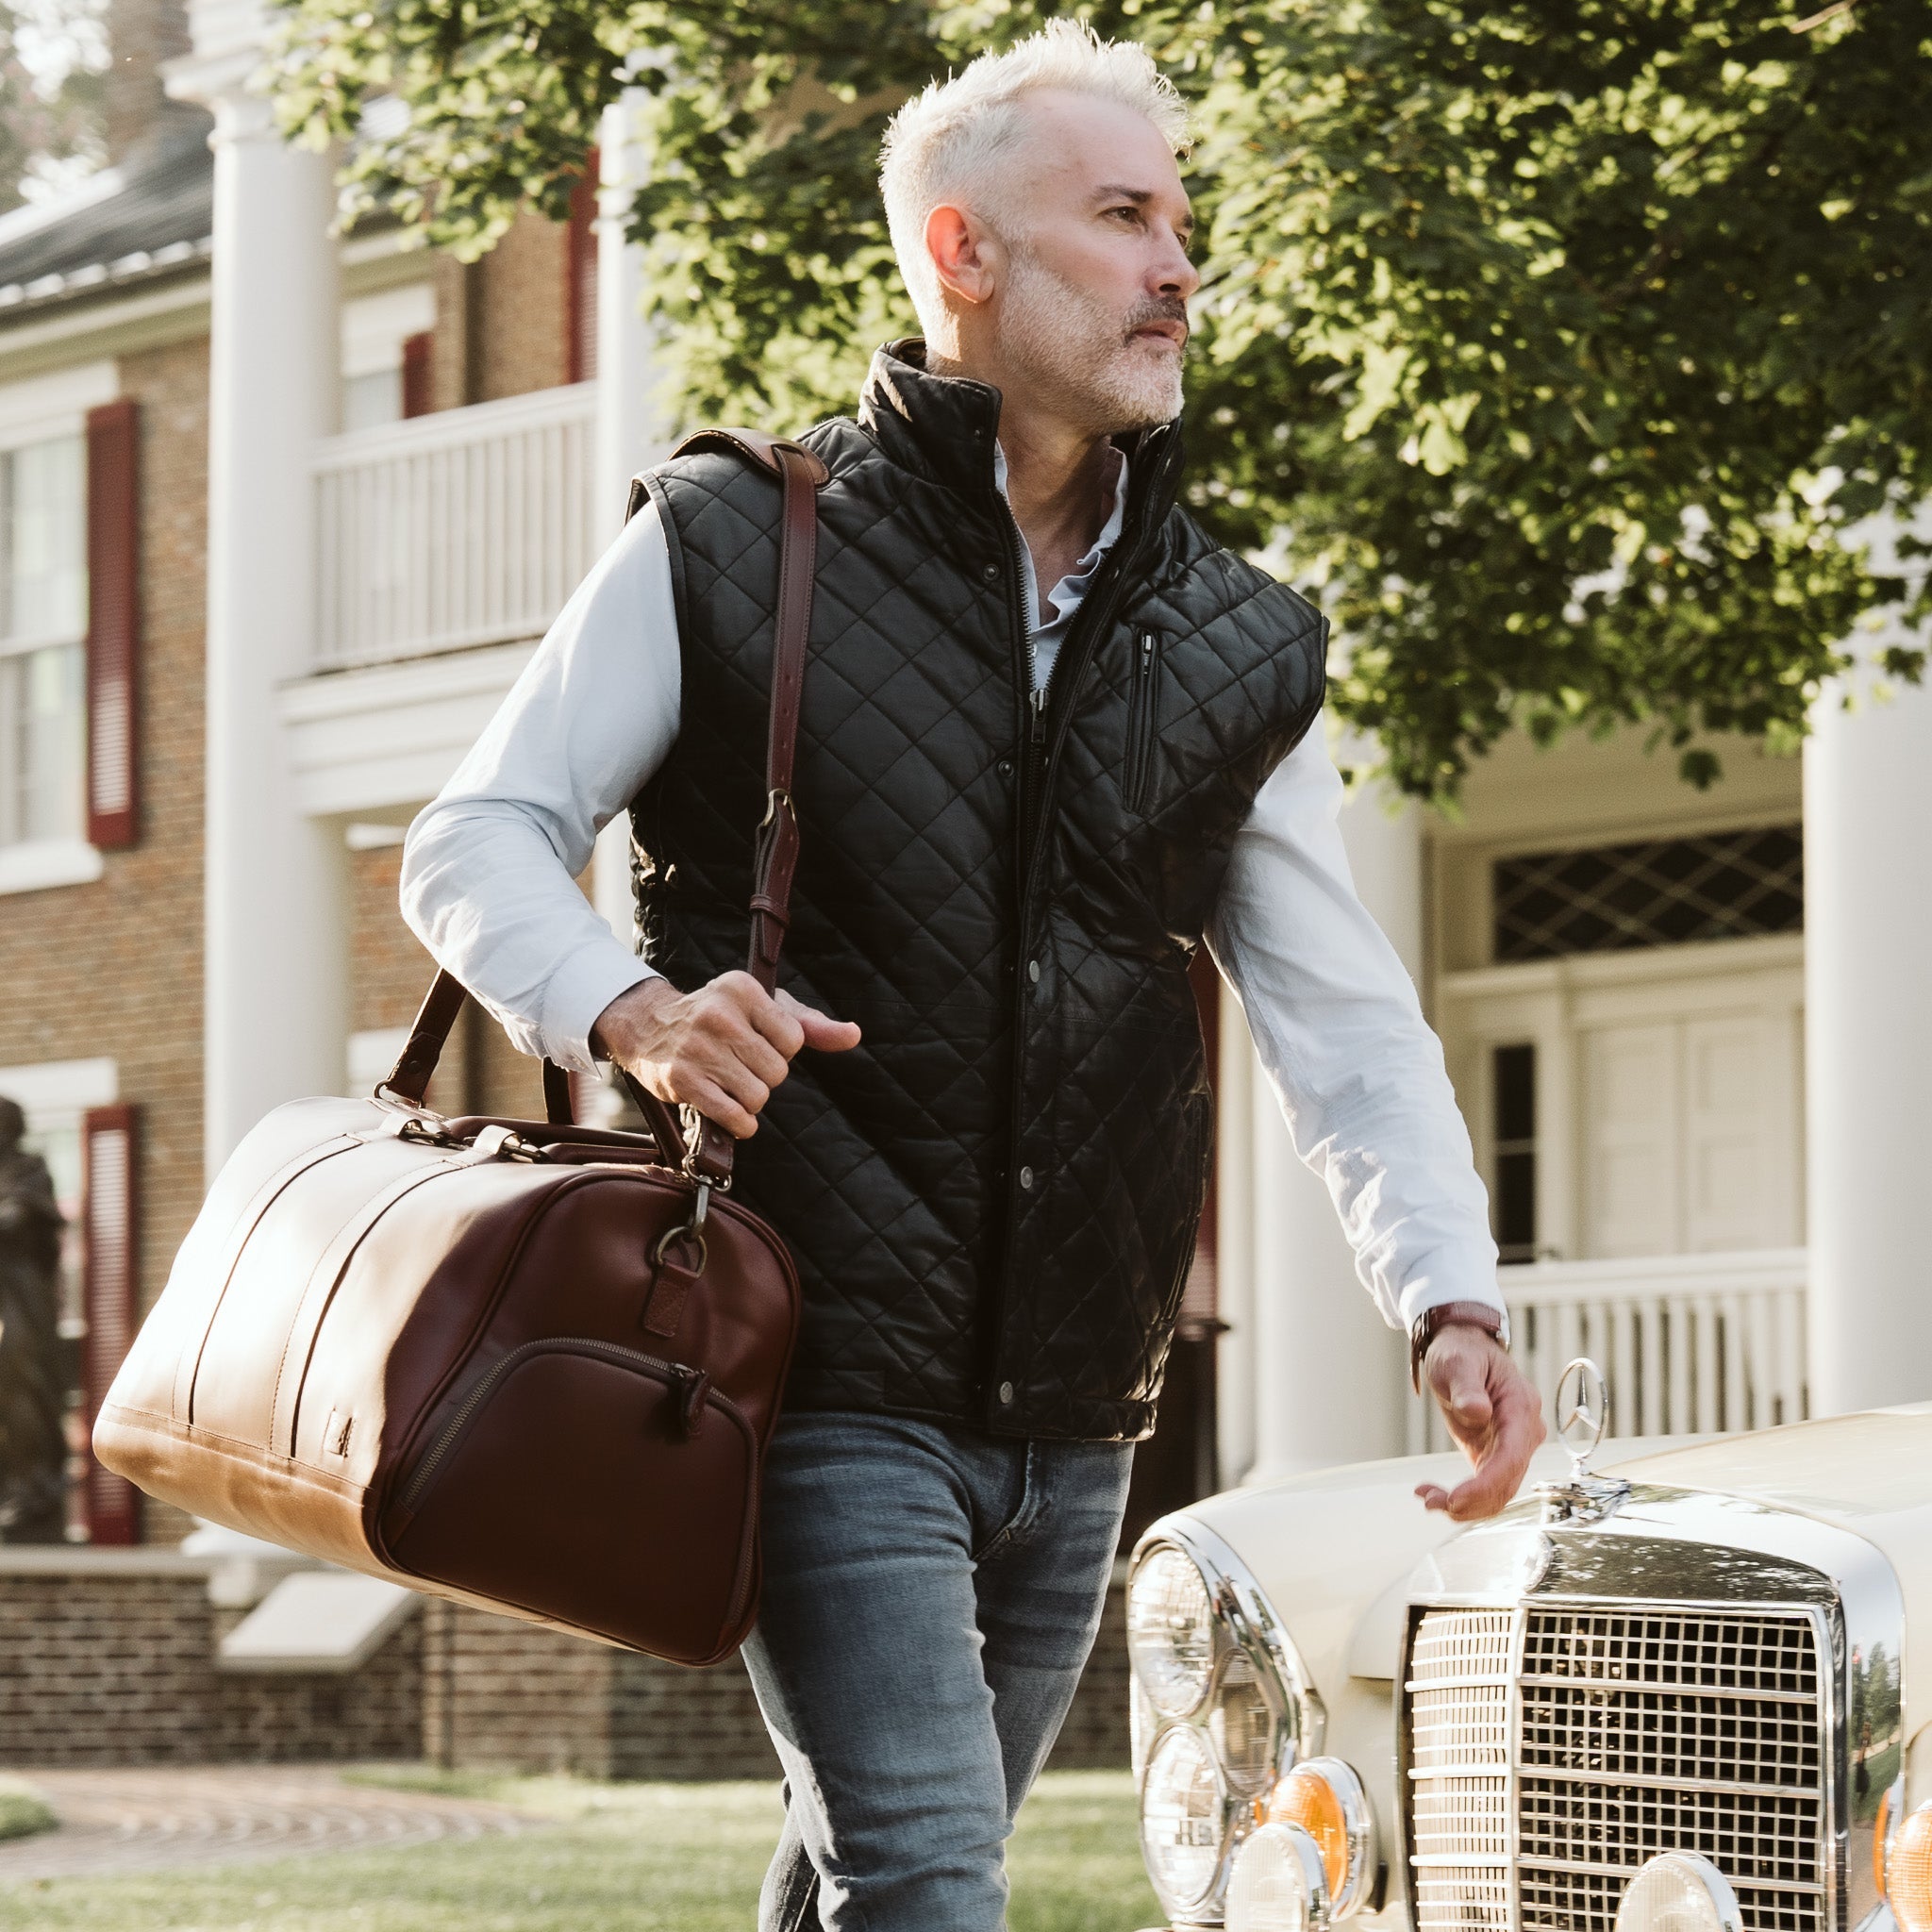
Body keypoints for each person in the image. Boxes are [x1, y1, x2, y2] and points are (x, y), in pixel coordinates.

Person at [402, 21, 1544, 1928]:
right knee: (930, 1880)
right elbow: (476, 836)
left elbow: (1338, 1015)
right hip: (811, 1354)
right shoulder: (731, 541)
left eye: (1184, 220)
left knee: (877, 1869)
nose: (1179, 263)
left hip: (1083, 1393)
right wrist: (638, 1010)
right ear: (963, 254)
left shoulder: (1238, 640)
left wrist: (1447, 1293)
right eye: (1120, 216)